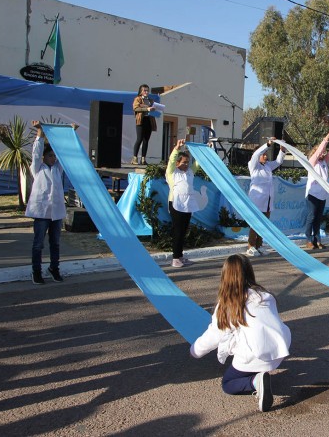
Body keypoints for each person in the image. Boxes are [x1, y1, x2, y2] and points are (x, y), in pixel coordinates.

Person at [190, 254, 291, 413]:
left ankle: (255, 382)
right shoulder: (265, 296)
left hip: (254, 355)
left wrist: (195, 350)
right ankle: (258, 374)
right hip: (278, 351)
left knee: (228, 384)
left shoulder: (228, 304)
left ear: (225, 276)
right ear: (249, 272)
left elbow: (215, 334)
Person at [26, 120, 73, 285]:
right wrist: (40, 132)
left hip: (56, 212)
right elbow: (36, 153)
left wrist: (71, 134)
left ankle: (54, 268)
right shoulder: (38, 168)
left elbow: (65, 154)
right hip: (41, 212)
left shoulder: (58, 169)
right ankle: (36, 271)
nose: (53, 158)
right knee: (38, 244)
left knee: (55, 243)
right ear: (45, 157)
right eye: (50, 156)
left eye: (54, 156)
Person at [166, 138, 208, 268]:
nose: (186, 165)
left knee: (183, 231)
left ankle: (180, 256)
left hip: (188, 204)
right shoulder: (172, 172)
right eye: (184, 162)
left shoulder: (190, 172)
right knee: (178, 231)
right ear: (178, 163)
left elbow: (198, 163)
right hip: (176, 204)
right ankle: (175, 258)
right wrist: (177, 148)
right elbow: (171, 161)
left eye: (188, 162)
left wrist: (204, 150)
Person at [246, 138, 286, 257]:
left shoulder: (268, 166)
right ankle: (251, 246)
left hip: (267, 201)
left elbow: (278, 161)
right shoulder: (253, 165)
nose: (265, 156)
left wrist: (282, 150)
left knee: (264, 224)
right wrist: (268, 144)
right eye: (263, 155)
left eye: (266, 155)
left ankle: (259, 245)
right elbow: (256, 154)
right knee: (255, 224)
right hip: (256, 200)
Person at [304, 131, 329, 250]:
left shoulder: (324, 162)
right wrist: (326, 139)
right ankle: (309, 240)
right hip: (312, 194)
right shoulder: (312, 162)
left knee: (318, 218)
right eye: (320, 152)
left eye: (323, 153)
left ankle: (317, 240)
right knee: (312, 217)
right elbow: (319, 152)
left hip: (322, 195)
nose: (323, 154)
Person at [132, 84, 157, 165]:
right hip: (141, 120)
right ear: (141, 91)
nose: (146, 92)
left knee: (146, 140)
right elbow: (135, 108)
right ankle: (134, 158)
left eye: (147, 90)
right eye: (144, 90)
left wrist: (156, 109)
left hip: (149, 120)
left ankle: (143, 159)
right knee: (139, 139)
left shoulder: (151, 100)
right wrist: (147, 108)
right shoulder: (138, 99)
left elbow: (153, 108)